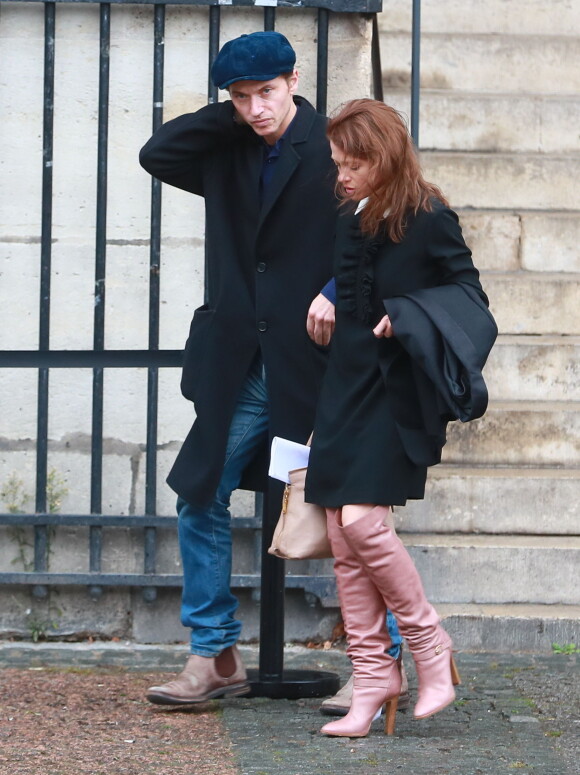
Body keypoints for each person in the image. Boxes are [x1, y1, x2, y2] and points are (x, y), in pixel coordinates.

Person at [138, 32, 405, 707]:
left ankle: (385, 662)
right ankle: (215, 654)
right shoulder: (226, 145)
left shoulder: (334, 144)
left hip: (322, 361)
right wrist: (231, 113)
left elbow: (392, 230)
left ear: (293, 80)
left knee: (354, 510)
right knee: (200, 494)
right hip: (240, 362)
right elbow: (155, 152)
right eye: (241, 96)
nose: (256, 108)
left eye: (266, 91)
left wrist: (336, 290)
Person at [304, 99, 494, 738]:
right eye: (338, 164)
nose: (343, 175)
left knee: (362, 521)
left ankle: (430, 646)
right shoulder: (351, 213)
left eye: (354, 164)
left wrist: (409, 315)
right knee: (339, 533)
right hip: (346, 382)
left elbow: (471, 298)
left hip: (397, 386)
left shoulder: (430, 216)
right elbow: (352, 277)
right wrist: (329, 293)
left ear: (384, 158)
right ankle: (374, 674)